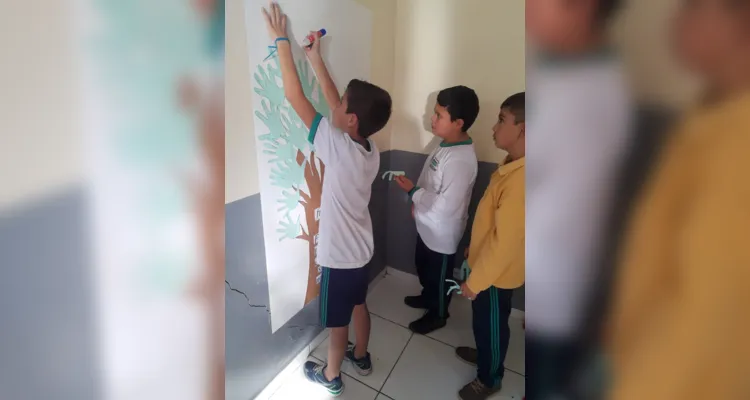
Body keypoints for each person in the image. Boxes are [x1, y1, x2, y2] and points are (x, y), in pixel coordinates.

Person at [605, 0, 750, 398]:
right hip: (636, 349)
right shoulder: (709, 115)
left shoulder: (737, 147)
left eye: (694, 7)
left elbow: (702, 315)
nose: (675, 20)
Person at [262, 3, 392, 396]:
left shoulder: (335, 147)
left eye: (342, 106)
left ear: (350, 120)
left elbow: (294, 96)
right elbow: (338, 105)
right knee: (359, 306)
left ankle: (332, 377)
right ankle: (363, 355)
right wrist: (315, 58)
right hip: (362, 252)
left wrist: (281, 41)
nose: (335, 105)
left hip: (337, 256)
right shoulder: (368, 148)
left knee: (337, 323)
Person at [524, 0, 632, 398]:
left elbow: (557, 217)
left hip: (555, 297)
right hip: (543, 287)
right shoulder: (555, 71)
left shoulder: (593, 95)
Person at [453, 93, 526, 400]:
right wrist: (473, 248)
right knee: (483, 321)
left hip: (495, 276)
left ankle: (490, 377)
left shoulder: (522, 180)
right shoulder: (510, 166)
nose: (494, 128)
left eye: (501, 120)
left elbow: (505, 244)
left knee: (493, 325)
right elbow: (491, 223)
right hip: (486, 265)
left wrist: (476, 281)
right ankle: (486, 354)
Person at [393, 86, 479, 335]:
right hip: (428, 223)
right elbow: (428, 179)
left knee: (439, 277)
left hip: (442, 233)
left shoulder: (461, 159)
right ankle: (428, 296)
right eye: (434, 113)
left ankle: (438, 313)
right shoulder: (446, 145)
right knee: (424, 267)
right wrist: (416, 203)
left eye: (439, 115)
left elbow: (446, 204)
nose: (431, 119)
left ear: (458, 123)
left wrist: (413, 193)